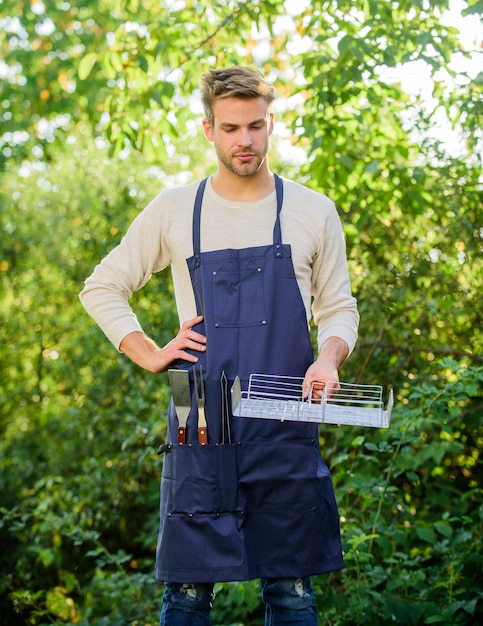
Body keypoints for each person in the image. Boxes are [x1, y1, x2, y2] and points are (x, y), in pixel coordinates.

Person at [79, 66, 359, 625]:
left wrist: (328, 359)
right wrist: (150, 352)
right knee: (187, 593)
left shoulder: (312, 210)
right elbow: (103, 286)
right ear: (209, 129)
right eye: (231, 128)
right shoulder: (175, 208)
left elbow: (338, 309)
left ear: (271, 123)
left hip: (284, 410)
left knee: (291, 591)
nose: (245, 140)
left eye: (256, 126)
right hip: (198, 409)